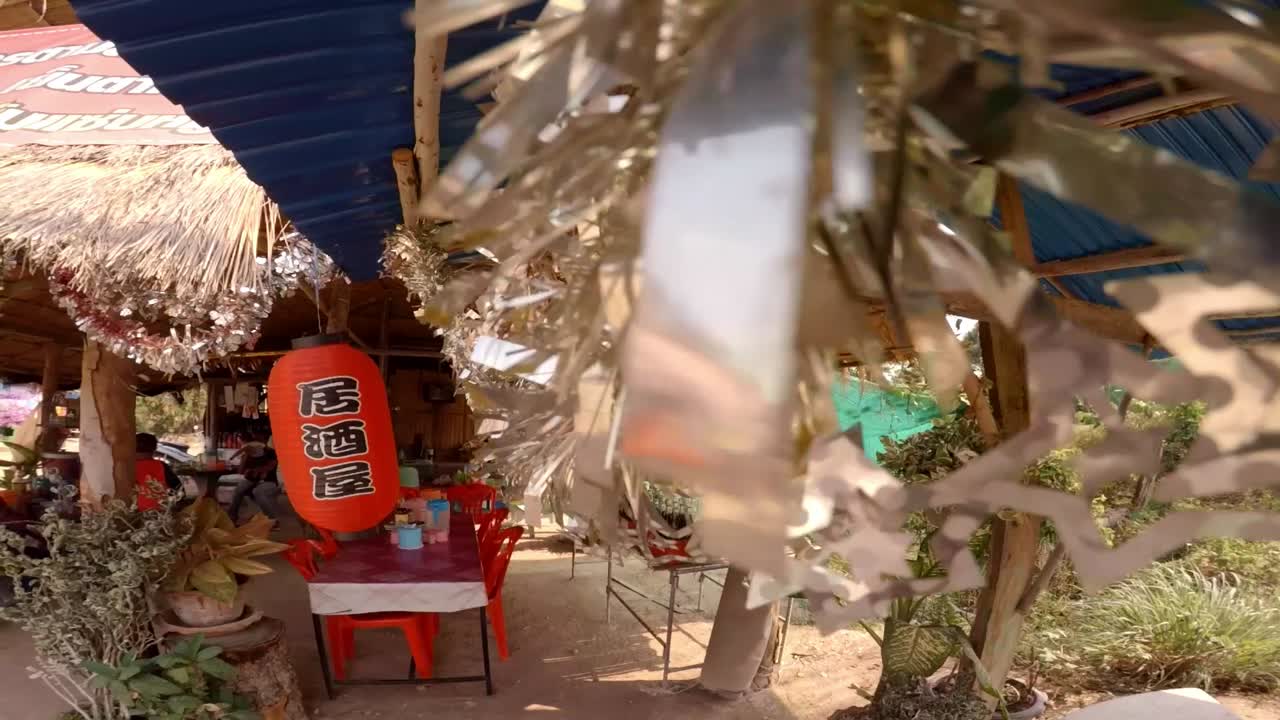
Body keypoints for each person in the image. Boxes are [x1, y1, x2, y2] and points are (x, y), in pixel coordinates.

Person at [227, 430, 281, 522]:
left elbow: (270, 466)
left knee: (258, 491)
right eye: (256, 439)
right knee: (238, 490)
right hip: (251, 480)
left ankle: (272, 520)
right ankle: (232, 517)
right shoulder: (250, 452)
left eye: (260, 440)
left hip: (269, 481)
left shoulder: (271, 453)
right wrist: (245, 457)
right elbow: (241, 471)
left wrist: (255, 470)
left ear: (265, 441)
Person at [135, 433, 184, 511]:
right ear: (155, 448)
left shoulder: (128, 467)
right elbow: (178, 491)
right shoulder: (161, 466)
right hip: (159, 513)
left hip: (132, 513)